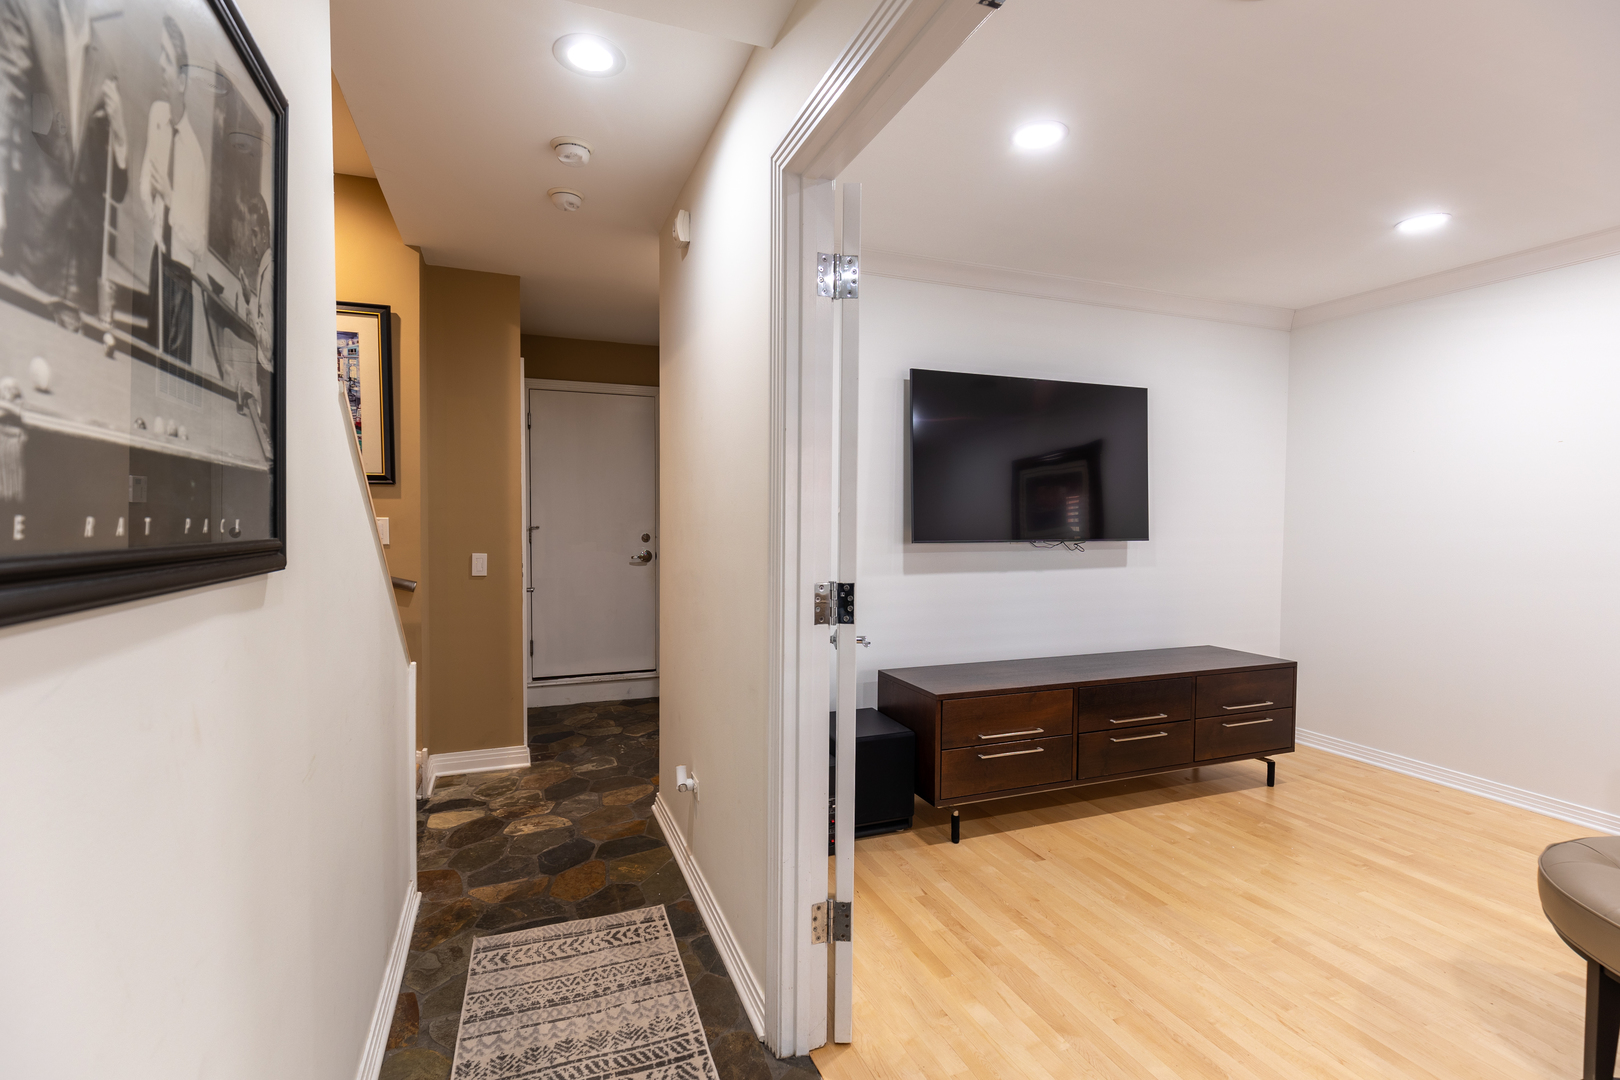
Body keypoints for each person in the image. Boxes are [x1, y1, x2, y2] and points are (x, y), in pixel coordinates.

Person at [0, 0, 129, 325]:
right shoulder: (26, 13)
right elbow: (6, 105)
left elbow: (113, 186)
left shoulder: (108, 65)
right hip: (30, 249)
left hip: (82, 277)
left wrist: (122, 142)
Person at [138, 14, 206, 364]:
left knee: (174, 375)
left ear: (181, 81)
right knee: (150, 359)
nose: (159, 64)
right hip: (157, 258)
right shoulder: (156, 116)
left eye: (166, 57)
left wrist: (169, 197)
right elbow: (142, 185)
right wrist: (152, 198)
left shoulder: (195, 157)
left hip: (179, 277)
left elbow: (198, 243)